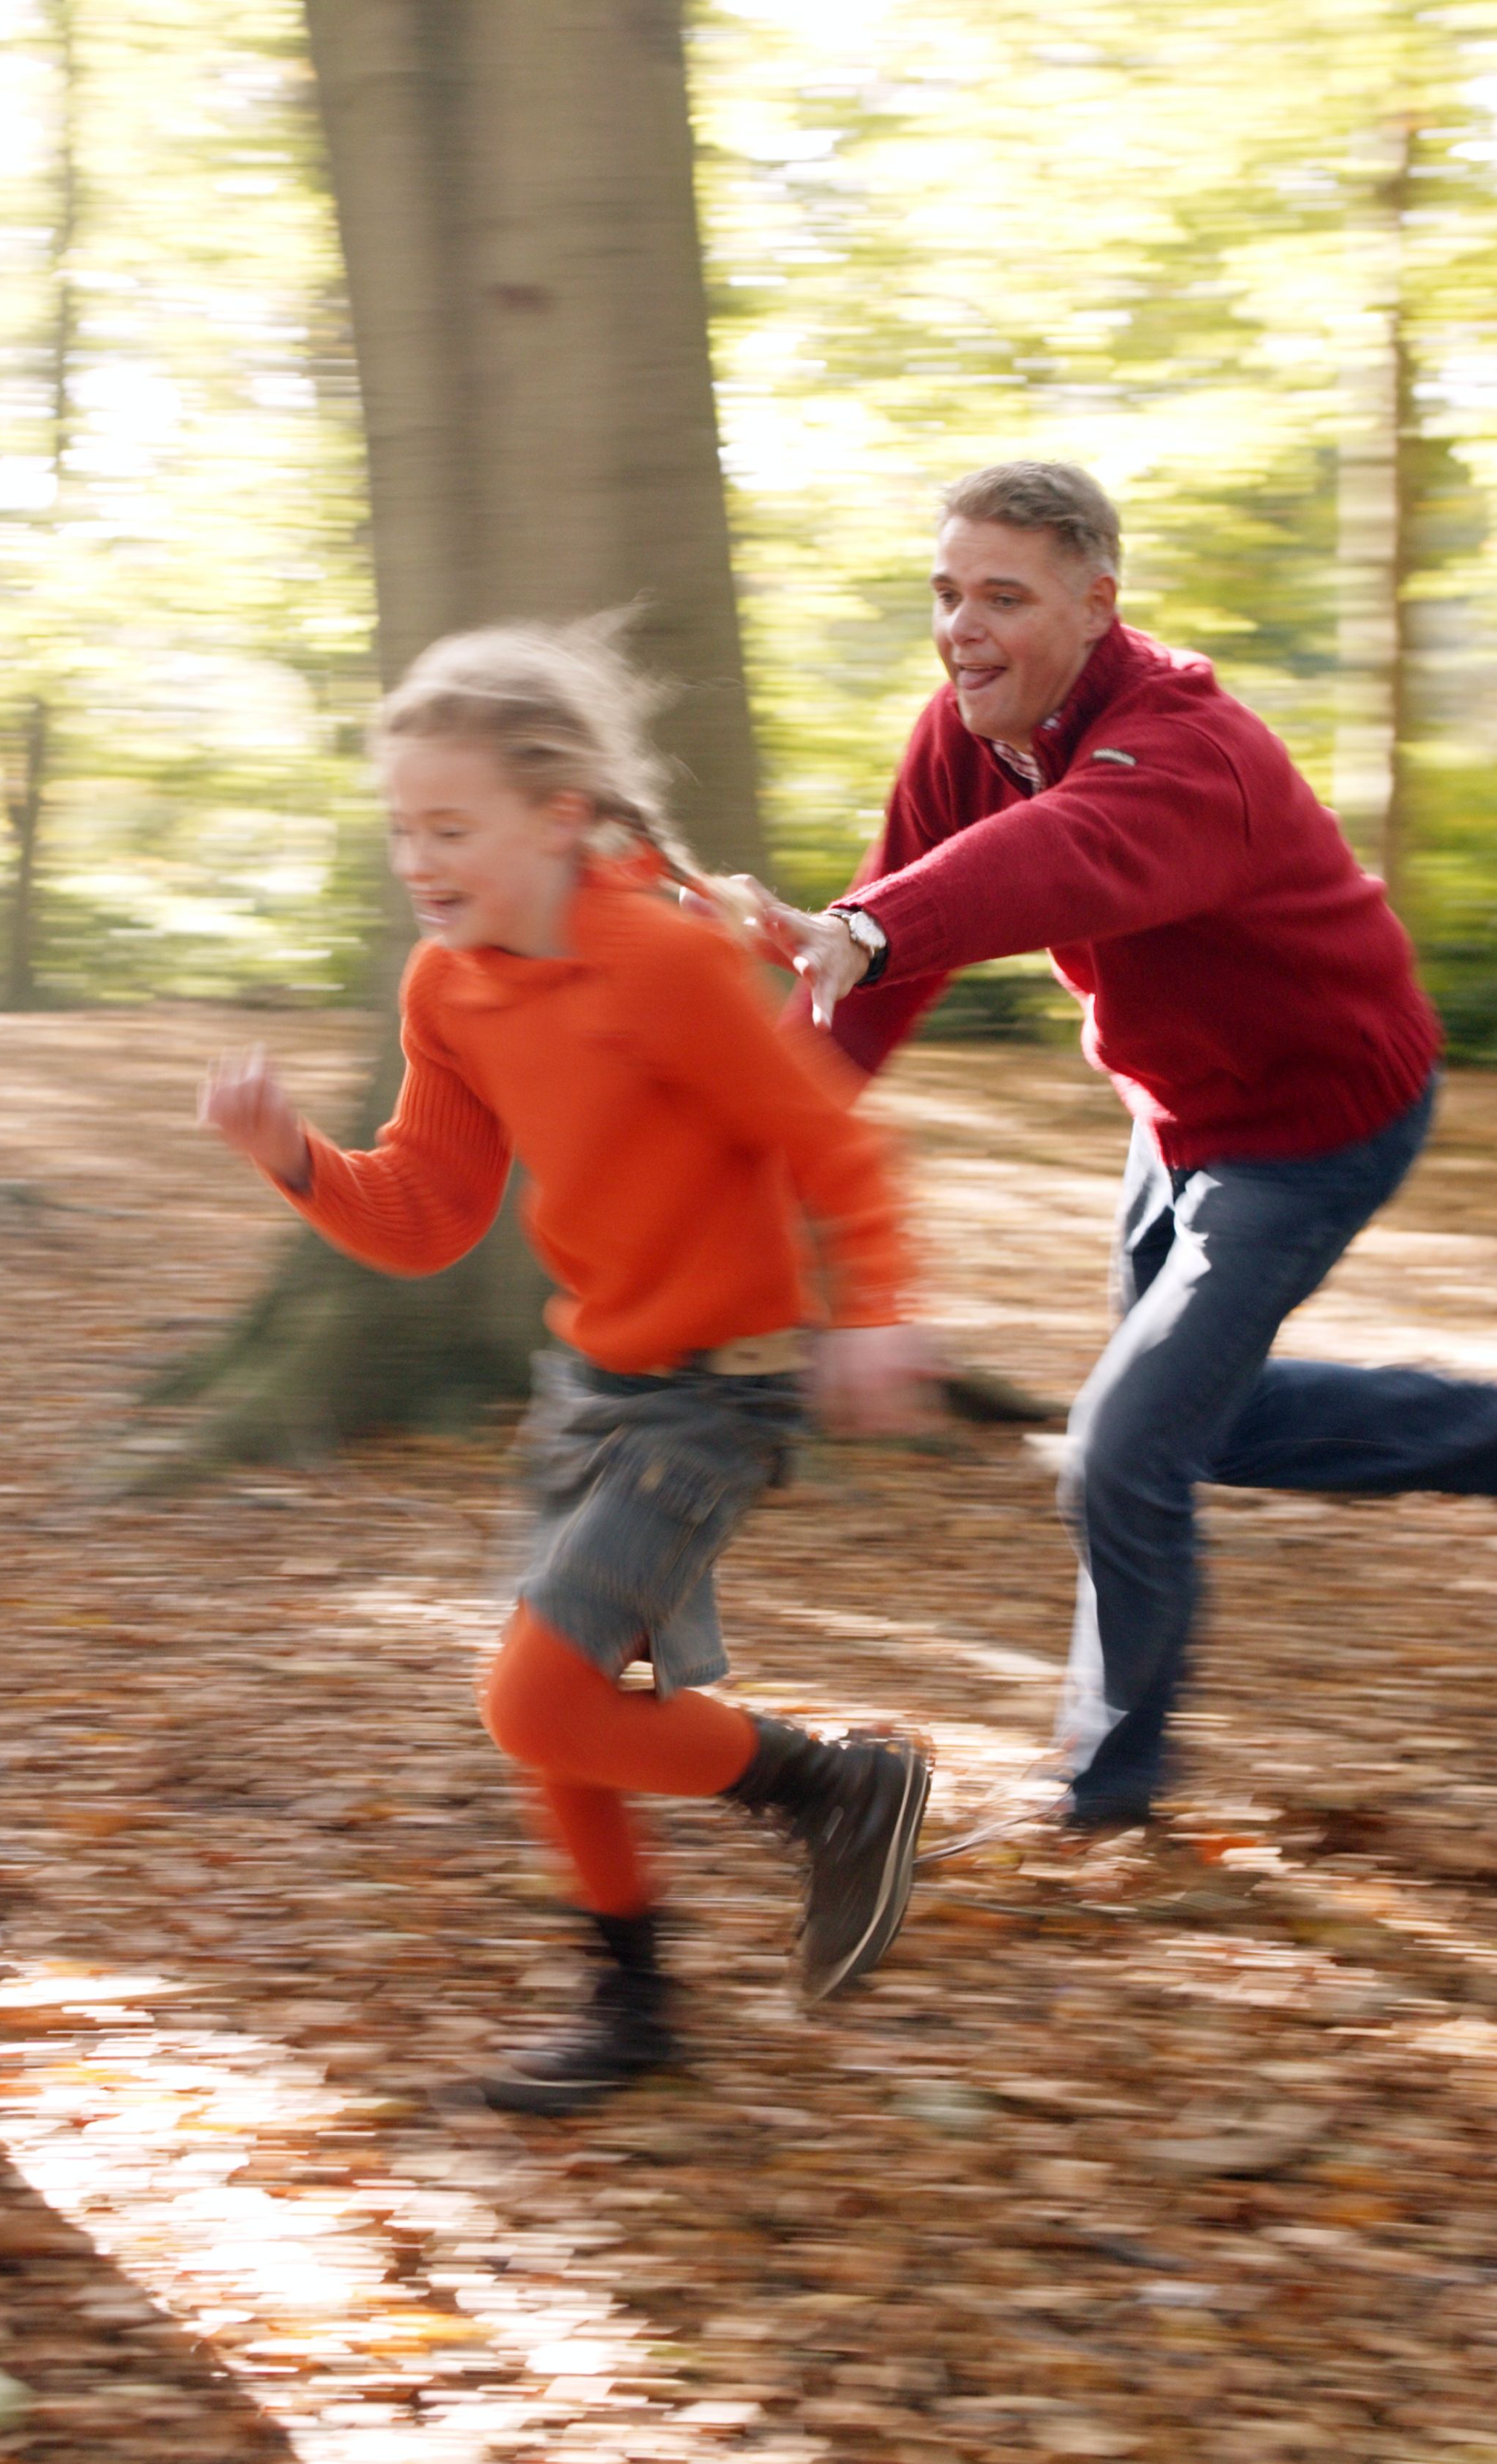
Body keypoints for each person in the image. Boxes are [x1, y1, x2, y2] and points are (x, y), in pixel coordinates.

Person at [199, 619, 936, 2116]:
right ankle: (637, 2005)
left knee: (533, 1699)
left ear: (557, 816)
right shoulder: (450, 986)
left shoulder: (657, 958)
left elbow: (828, 1142)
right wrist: (296, 1161)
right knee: (567, 1714)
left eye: (450, 824)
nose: (420, 855)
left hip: (717, 1390)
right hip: (589, 1384)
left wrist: (876, 1304)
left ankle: (834, 1783)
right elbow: (425, 1214)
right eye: (403, 827)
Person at [766, 459, 1497, 1835]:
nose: (961, 628)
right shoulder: (962, 735)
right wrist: (758, 1137)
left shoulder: (1185, 751)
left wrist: (867, 926)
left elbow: (1061, 855)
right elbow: (879, 980)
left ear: (1097, 604)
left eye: (1002, 596)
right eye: (945, 593)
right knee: (1183, 1429)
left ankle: (1107, 1793)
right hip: (1176, 1116)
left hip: (1314, 1123)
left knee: (1121, 1447)